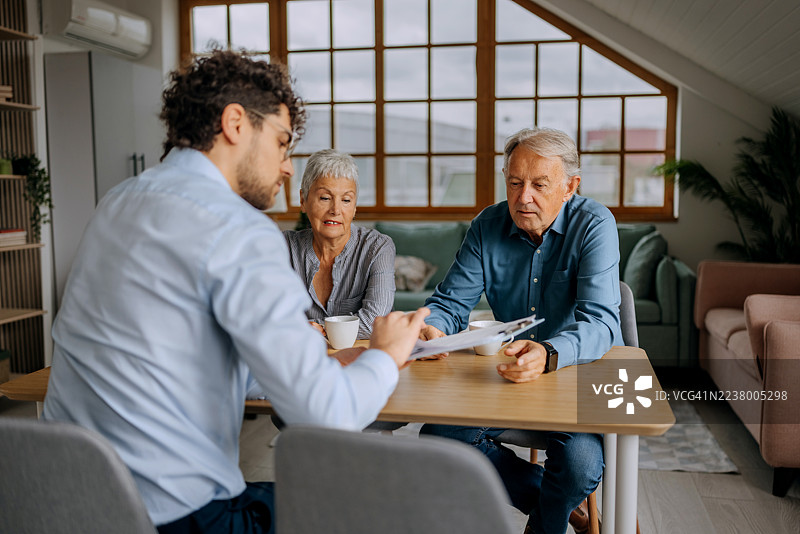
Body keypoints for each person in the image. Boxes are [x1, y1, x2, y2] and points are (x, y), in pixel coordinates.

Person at [42, 50, 428, 534]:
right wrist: (385, 356)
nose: (288, 169)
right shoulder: (239, 228)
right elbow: (329, 416)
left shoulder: (117, 202)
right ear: (235, 124)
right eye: (283, 143)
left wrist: (315, 362)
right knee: (381, 504)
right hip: (173, 515)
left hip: (62, 501)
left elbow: (181, 358)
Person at [418, 127, 623, 534]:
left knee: (581, 464)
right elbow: (449, 304)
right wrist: (433, 327)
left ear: (570, 187)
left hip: (575, 377)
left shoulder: (595, 224)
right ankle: (557, 509)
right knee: (439, 436)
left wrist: (548, 352)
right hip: (508, 377)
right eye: (514, 182)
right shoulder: (486, 225)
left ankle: (552, 515)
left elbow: (602, 323)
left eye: (539, 184)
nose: (523, 196)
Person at [284, 148, 395, 339]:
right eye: (325, 198)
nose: (335, 210)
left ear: (354, 208)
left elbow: (374, 322)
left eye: (346, 200)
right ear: (303, 200)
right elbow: (265, 317)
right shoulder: (283, 247)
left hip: (361, 359)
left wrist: (308, 329)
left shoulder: (377, 247)